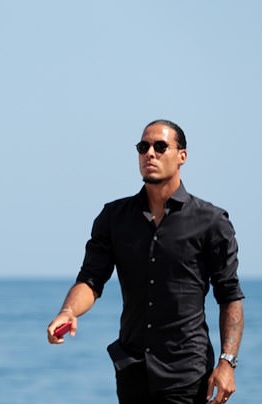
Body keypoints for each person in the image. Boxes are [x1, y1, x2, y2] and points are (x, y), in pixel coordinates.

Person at [46, 119, 244, 404]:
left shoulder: (211, 222)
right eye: (143, 147)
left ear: (182, 156)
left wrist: (227, 363)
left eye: (160, 146)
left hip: (187, 373)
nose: (150, 153)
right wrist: (68, 311)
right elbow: (91, 280)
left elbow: (229, 296)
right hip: (131, 369)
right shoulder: (114, 218)